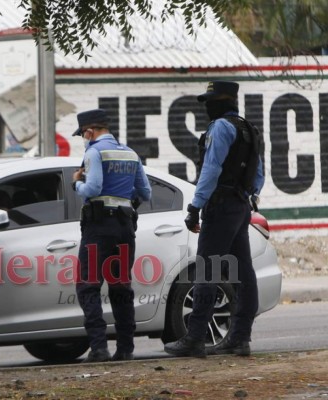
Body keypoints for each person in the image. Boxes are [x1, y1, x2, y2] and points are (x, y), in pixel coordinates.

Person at [164, 81, 265, 358]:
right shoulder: (250, 130)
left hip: (220, 207)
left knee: (207, 270)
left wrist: (195, 207)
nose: (207, 106)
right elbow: (259, 178)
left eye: (210, 101)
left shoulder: (221, 127)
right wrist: (244, 198)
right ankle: (240, 338)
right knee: (243, 273)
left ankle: (195, 337)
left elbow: (210, 170)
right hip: (240, 206)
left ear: (222, 102)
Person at [71, 108, 151, 362]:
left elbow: (92, 188)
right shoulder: (130, 153)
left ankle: (99, 348)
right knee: (120, 287)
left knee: (89, 286)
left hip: (99, 227)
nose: (84, 138)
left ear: (90, 131)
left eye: (84, 134)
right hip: (125, 227)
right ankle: (125, 348)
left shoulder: (94, 152)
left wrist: (76, 183)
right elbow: (146, 192)